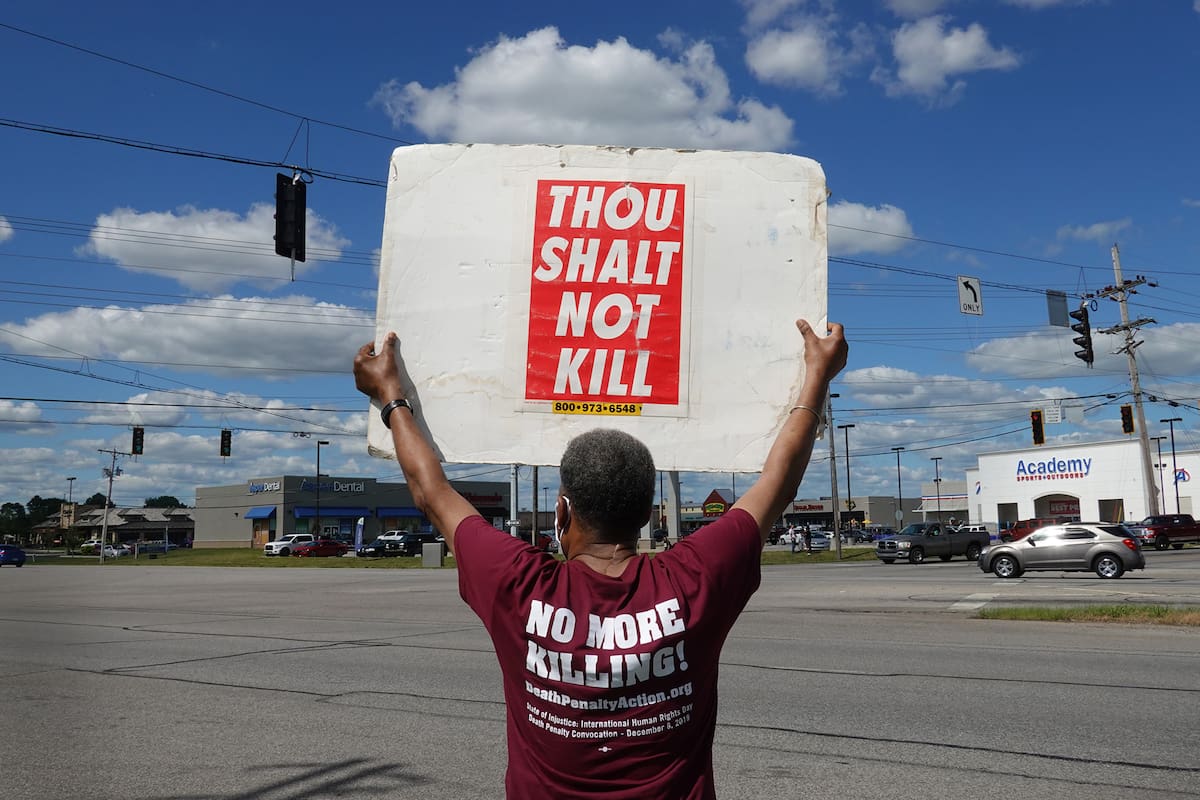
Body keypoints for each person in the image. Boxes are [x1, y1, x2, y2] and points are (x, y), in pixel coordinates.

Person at [353, 319, 847, 800]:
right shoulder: (696, 578)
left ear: (562, 510)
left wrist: (391, 395)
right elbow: (778, 484)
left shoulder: (517, 582)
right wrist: (816, 378)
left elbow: (431, 491)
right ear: (647, 514)